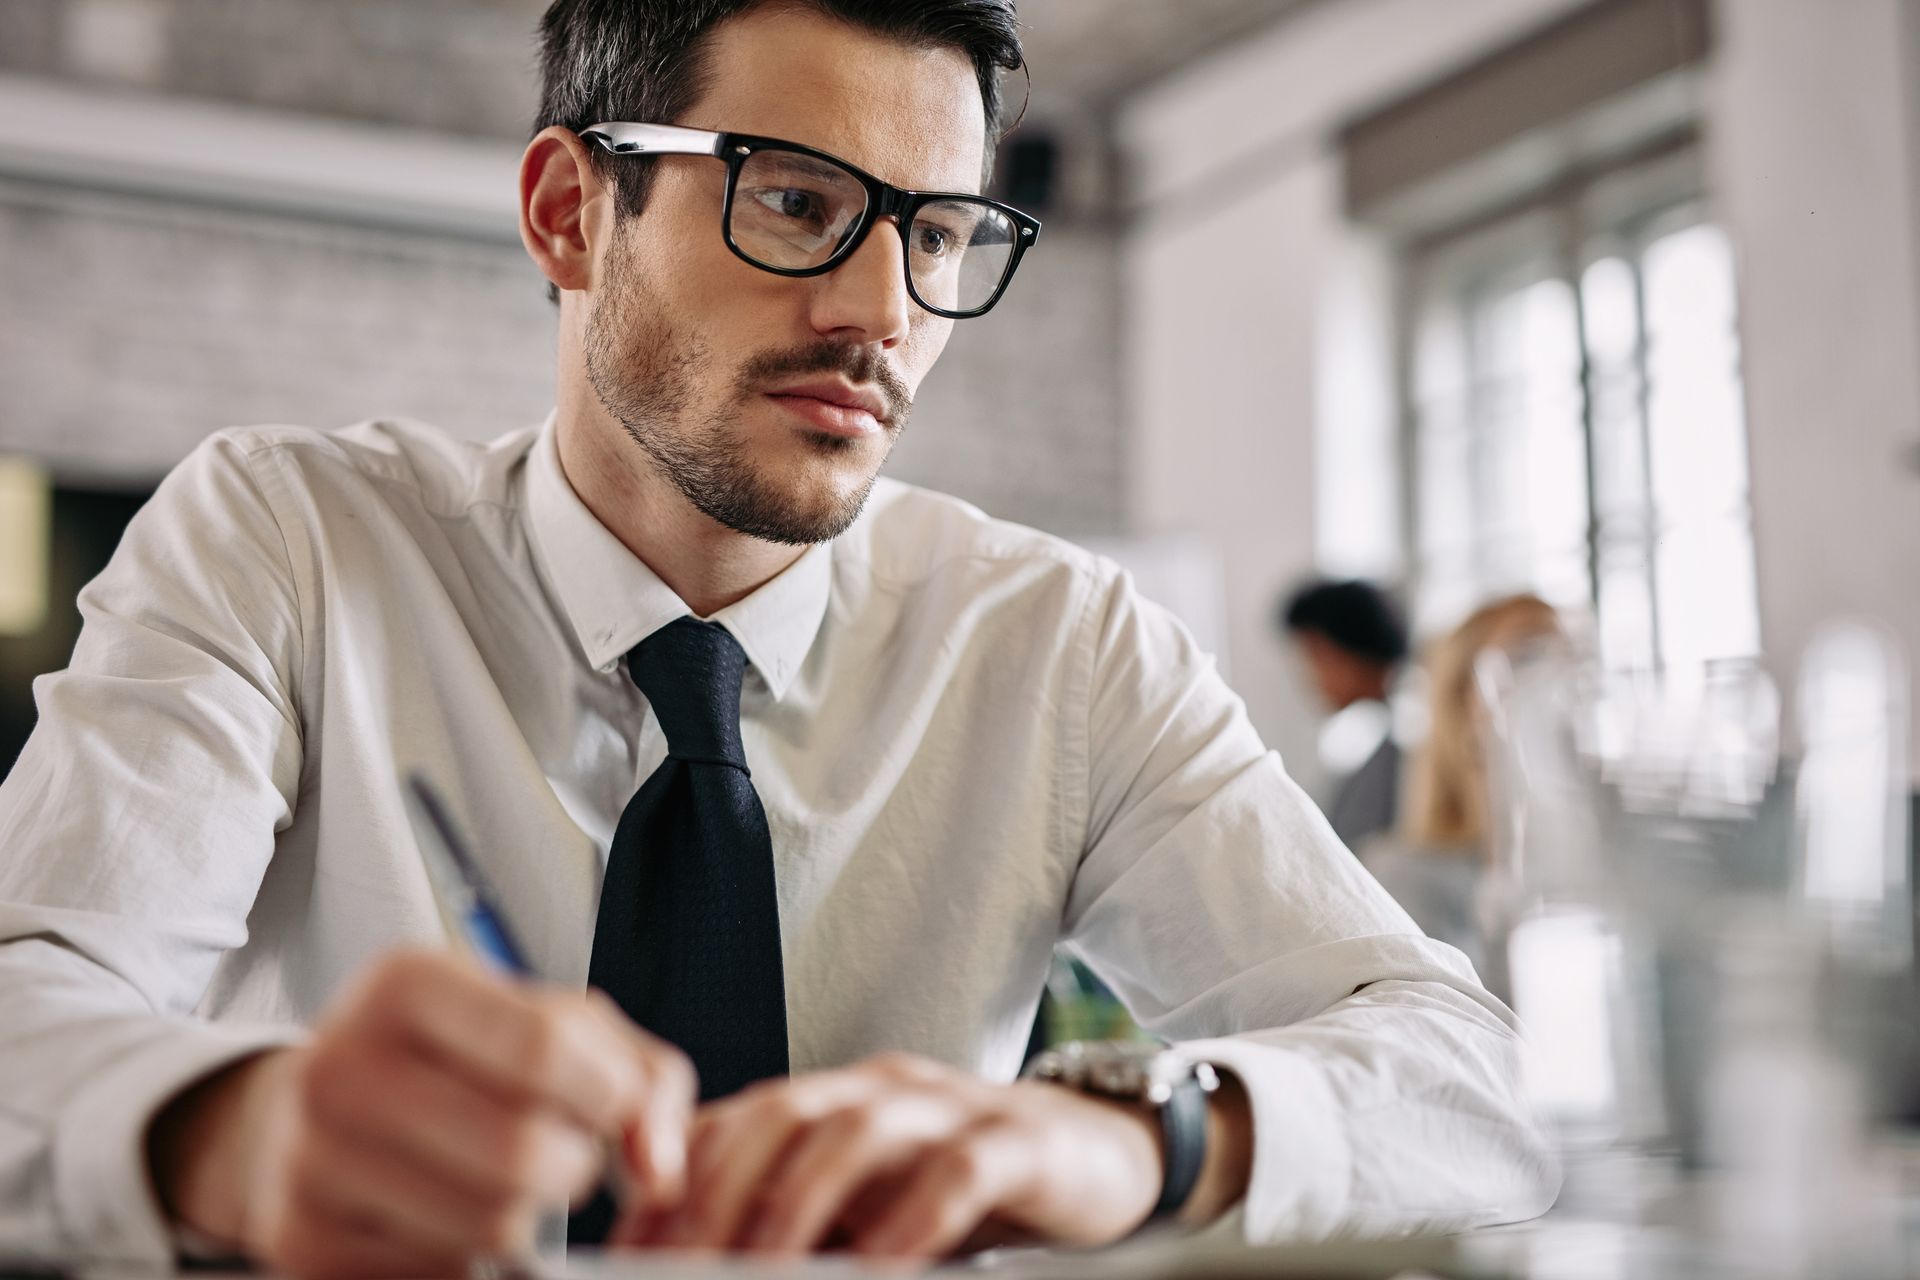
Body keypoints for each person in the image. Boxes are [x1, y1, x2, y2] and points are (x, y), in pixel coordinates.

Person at [0, 2, 1559, 1274]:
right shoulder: (288, 541)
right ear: (569, 214)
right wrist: (236, 1130)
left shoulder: (1060, 647)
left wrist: (1119, 1133)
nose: (884, 310)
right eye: (800, 202)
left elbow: (1469, 1092)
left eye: (938, 235)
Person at [1361, 594, 1564, 983]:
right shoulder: (1402, 880)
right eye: (1528, 660)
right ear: (1460, 706)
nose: (1557, 685)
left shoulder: (1606, 868)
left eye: (1569, 658)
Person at [1280, 578, 1409, 851]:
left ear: (1354, 652)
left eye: (1317, 655)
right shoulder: (1357, 737)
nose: (1310, 675)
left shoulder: (1386, 743)